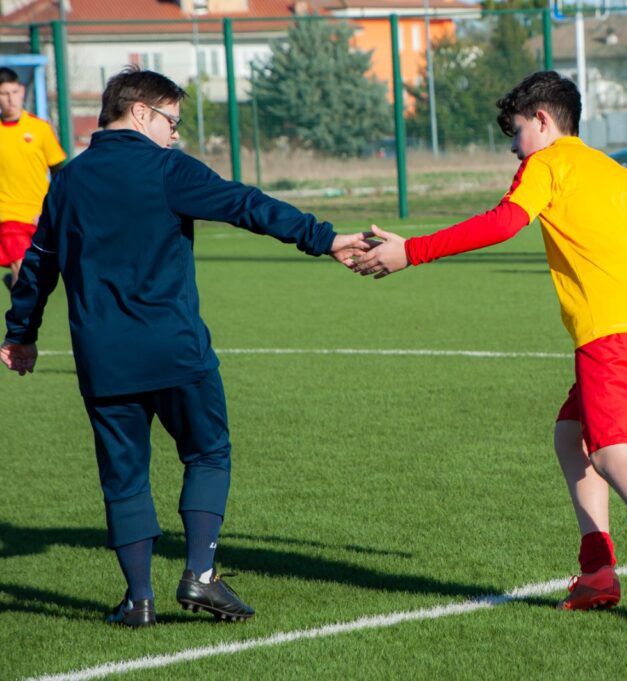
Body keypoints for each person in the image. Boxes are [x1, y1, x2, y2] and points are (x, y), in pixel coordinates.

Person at [352, 71, 627, 630]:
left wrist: (413, 251)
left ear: (543, 121)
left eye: (514, 132)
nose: (512, 147)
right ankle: (597, 572)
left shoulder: (546, 164)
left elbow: (505, 222)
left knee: (612, 453)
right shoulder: (616, 173)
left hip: (608, 330)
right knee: (570, 434)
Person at [1, 66, 370, 628]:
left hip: (104, 361)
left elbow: (39, 264)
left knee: (123, 477)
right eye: (172, 121)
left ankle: (139, 599)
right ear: (140, 113)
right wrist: (325, 238)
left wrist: (21, 334)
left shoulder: (68, 182)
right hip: (175, 351)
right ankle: (200, 573)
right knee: (207, 452)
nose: (176, 133)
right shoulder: (165, 168)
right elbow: (246, 205)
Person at [0, 67, 67, 292]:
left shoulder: (40, 129)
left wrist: (53, 206)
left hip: (38, 215)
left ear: (21, 91)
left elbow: (59, 170)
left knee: (38, 276)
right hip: (7, 215)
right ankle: (22, 325)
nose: (10, 99)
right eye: (3, 94)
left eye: (13, 92)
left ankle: (16, 289)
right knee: (21, 269)